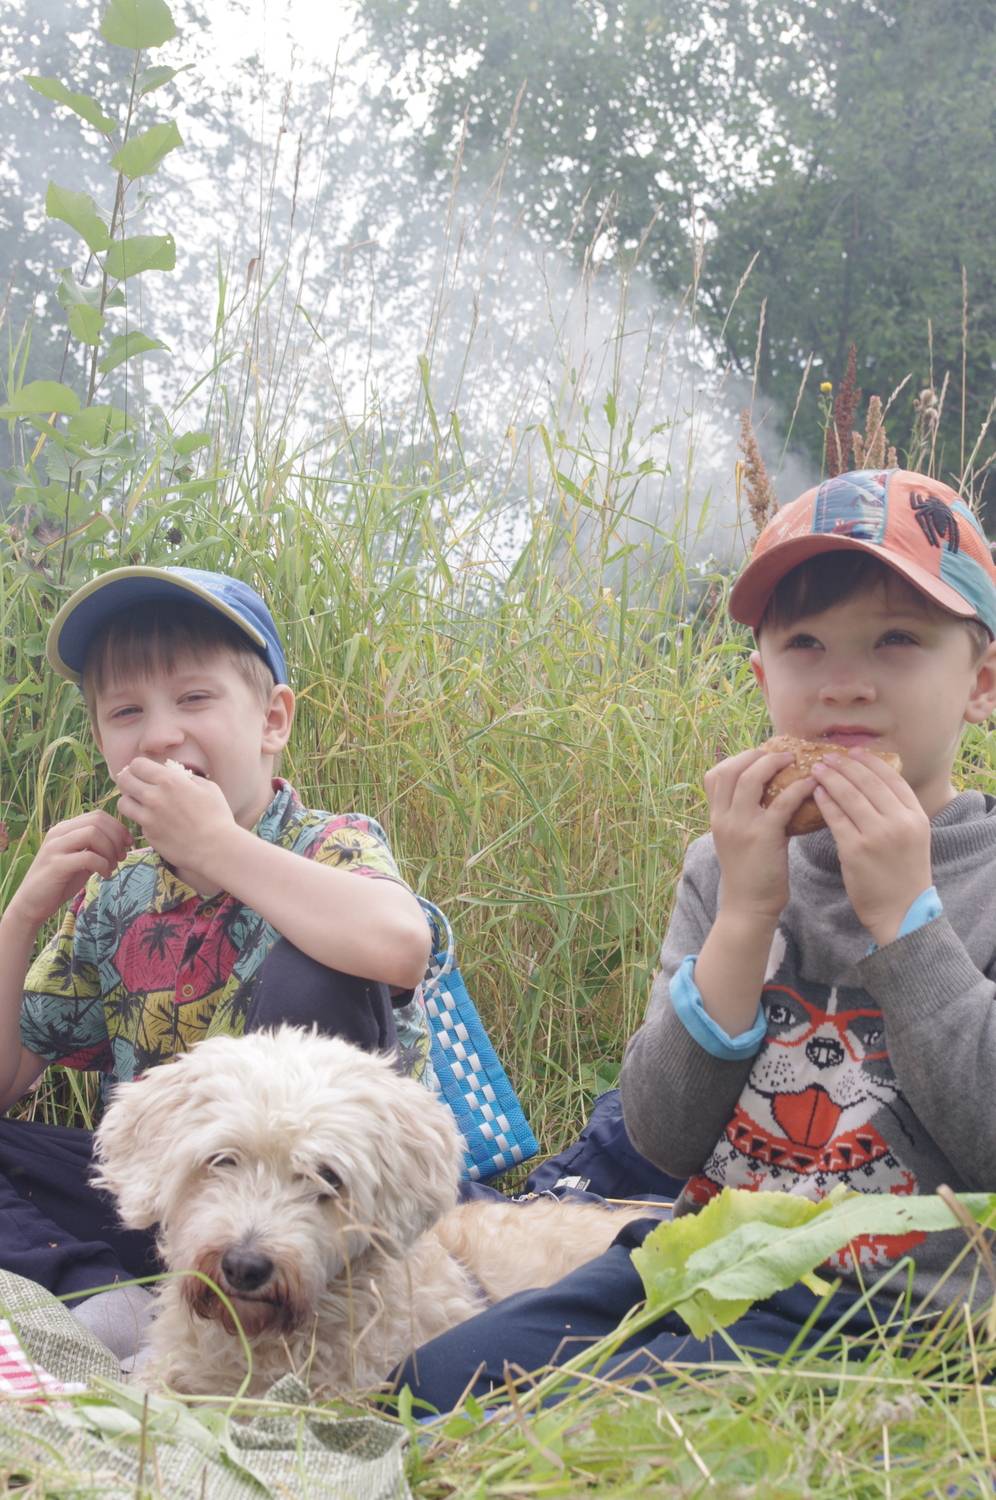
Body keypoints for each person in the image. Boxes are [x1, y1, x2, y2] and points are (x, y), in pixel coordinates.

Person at [393, 466, 996, 1410]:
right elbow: (662, 1134)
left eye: (896, 640)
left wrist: (905, 919)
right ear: (763, 678)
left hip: (893, 1302)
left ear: (981, 683)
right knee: (426, 1384)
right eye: (804, 644)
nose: (845, 684)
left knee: (570, 1414)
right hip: (696, 1255)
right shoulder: (725, 865)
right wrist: (747, 914)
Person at [0, 565, 433, 1356]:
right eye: (126, 712)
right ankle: (102, 1298)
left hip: (313, 1220)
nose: (160, 734)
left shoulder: (329, 844)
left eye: (194, 699)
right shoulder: (118, 892)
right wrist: (22, 916)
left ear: (272, 721)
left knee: (316, 964)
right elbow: (7, 1081)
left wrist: (219, 846)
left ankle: (278, 1311)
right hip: (164, 1213)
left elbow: (401, 946)